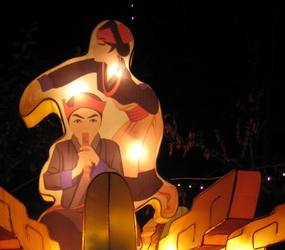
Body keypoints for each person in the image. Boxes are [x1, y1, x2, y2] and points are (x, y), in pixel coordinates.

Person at [20, 20, 178, 225]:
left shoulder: (136, 88)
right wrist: (40, 87)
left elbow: (125, 92)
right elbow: (76, 69)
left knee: (129, 176)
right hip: (125, 130)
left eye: (101, 44)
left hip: (143, 127)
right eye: (78, 119)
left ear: (118, 51)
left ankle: (160, 191)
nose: (93, 49)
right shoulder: (64, 148)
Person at [39, 92, 123, 250]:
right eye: (78, 120)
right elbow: (48, 181)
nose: (85, 126)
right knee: (50, 227)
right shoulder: (62, 148)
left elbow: (120, 182)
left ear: (100, 122)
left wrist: (98, 162)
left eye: (92, 119)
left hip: (103, 211)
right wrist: (75, 171)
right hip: (68, 213)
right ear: (70, 123)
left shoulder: (111, 147)